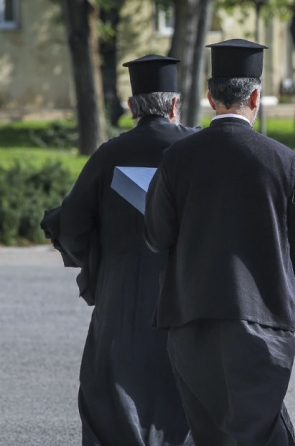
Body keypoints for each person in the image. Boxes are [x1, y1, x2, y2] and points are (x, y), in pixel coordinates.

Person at [144, 39, 295, 446]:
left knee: (209, 432)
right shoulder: (283, 160)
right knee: (263, 431)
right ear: (255, 98)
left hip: (191, 316)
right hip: (263, 318)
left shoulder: (178, 157)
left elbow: (156, 236)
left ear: (210, 98)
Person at [47, 54, 196, 445]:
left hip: (122, 298)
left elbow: (73, 227)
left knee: (112, 396)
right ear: (175, 105)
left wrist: (94, 262)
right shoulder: (196, 150)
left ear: (132, 107)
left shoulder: (110, 155)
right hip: (186, 296)